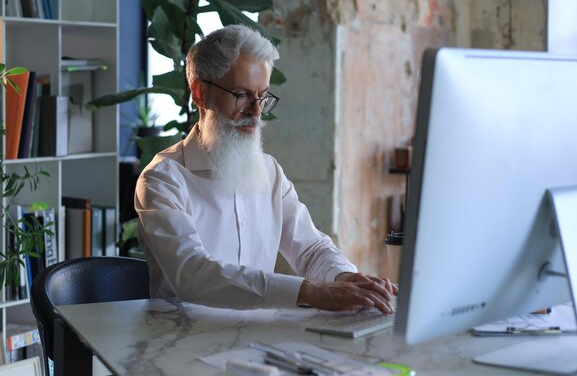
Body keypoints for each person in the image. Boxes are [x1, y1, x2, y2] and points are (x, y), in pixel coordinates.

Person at [135, 24, 398, 313]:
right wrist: (310, 291)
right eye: (242, 95)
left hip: (258, 340)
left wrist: (346, 278)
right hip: (181, 345)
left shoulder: (269, 172)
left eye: (263, 96)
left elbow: (310, 248)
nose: (257, 111)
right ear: (200, 94)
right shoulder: (162, 180)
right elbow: (192, 273)